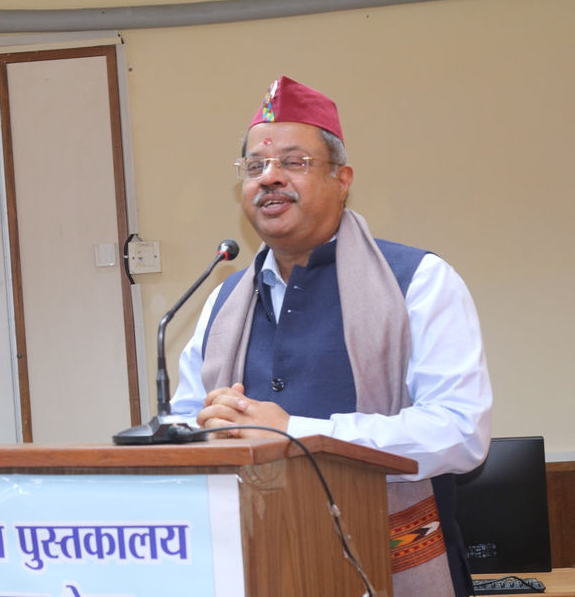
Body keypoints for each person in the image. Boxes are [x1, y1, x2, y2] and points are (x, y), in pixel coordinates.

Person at [169, 76, 492, 597]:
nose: (270, 178)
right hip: (256, 567)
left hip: (390, 564)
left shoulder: (419, 281)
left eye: (294, 162)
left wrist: (296, 434)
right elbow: (185, 421)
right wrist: (207, 429)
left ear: (342, 179)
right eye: (255, 166)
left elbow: (460, 432)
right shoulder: (221, 301)